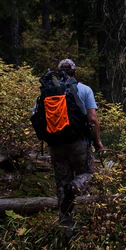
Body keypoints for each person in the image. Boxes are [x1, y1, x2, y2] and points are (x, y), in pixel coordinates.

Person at [48, 58, 104, 230]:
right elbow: (93, 119)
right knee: (87, 173)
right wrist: (98, 141)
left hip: (56, 144)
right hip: (79, 143)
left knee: (61, 183)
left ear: (59, 73)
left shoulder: (49, 91)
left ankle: (66, 224)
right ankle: (76, 187)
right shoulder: (85, 89)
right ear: (75, 71)